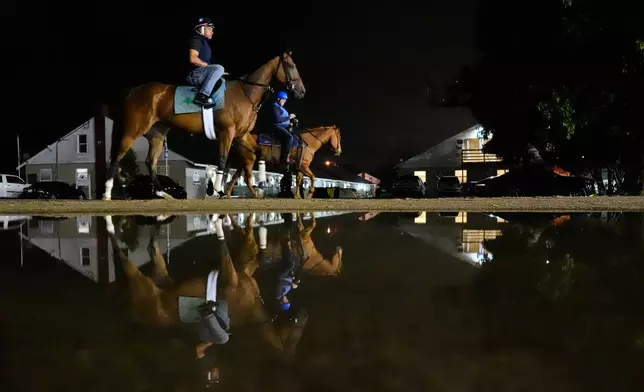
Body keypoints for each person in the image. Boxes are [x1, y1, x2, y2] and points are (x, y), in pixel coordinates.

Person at [187, 17, 226, 108]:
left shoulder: (204, 43)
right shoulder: (196, 40)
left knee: (222, 78)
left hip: (199, 73)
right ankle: (202, 96)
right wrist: (210, 67)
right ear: (202, 29)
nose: (212, 32)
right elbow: (193, 59)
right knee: (219, 68)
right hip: (193, 75)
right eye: (210, 29)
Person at [271, 91, 297, 169]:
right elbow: (278, 119)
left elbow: (285, 119)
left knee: (295, 137)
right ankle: (283, 159)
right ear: (278, 99)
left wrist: (292, 120)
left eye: (285, 100)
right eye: (283, 100)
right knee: (289, 138)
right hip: (277, 127)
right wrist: (289, 117)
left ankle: (290, 155)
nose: (284, 101)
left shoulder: (281, 108)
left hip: (284, 127)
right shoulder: (275, 106)